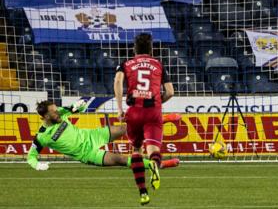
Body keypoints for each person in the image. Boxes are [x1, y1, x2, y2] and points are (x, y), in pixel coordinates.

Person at [27, 100, 179, 171]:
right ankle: (159, 165)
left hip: (92, 135)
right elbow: (30, 157)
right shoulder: (41, 137)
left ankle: (162, 120)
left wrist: (80, 105)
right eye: (54, 112)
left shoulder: (60, 112)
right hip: (87, 153)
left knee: (127, 127)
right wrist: (36, 165)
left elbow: (77, 109)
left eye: (57, 109)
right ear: (46, 117)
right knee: (120, 159)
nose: (58, 112)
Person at [114, 33, 174, 205]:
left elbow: (118, 81)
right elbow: (170, 91)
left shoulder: (126, 64)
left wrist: (119, 108)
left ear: (134, 49)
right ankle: (155, 164)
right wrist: (157, 102)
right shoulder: (158, 65)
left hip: (134, 111)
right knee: (153, 149)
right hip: (153, 111)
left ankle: (143, 192)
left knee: (136, 150)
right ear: (151, 48)